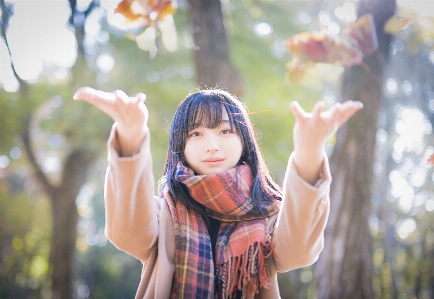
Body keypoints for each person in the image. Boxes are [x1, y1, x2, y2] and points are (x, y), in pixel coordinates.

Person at [73, 87, 362, 299]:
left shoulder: (266, 210)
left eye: (225, 131)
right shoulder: (166, 210)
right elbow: (129, 233)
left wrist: (309, 156)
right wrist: (130, 137)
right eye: (196, 133)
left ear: (245, 141)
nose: (212, 145)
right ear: (180, 146)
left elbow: (298, 253)